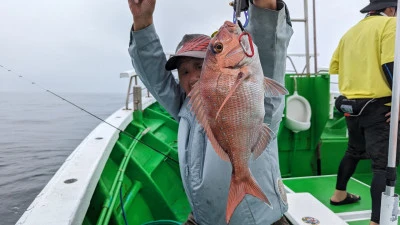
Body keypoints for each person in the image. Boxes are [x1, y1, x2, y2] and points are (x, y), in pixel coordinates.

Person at [128, 0, 293, 224]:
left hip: (261, 220)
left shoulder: (255, 94)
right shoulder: (186, 107)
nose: (193, 77)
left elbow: (268, 46)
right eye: (184, 71)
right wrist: (143, 22)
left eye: (199, 66)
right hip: (203, 218)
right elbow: (156, 78)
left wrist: (263, 6)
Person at [329, 0, 399, 224]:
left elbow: (335, 67)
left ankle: (339, 194)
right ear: (390, 9)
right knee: (382, 166)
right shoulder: (390, 24)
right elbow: (390, 65)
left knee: (353, 151)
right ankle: (377, 221)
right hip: (379, 107)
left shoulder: (350, 32)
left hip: (352, 106)